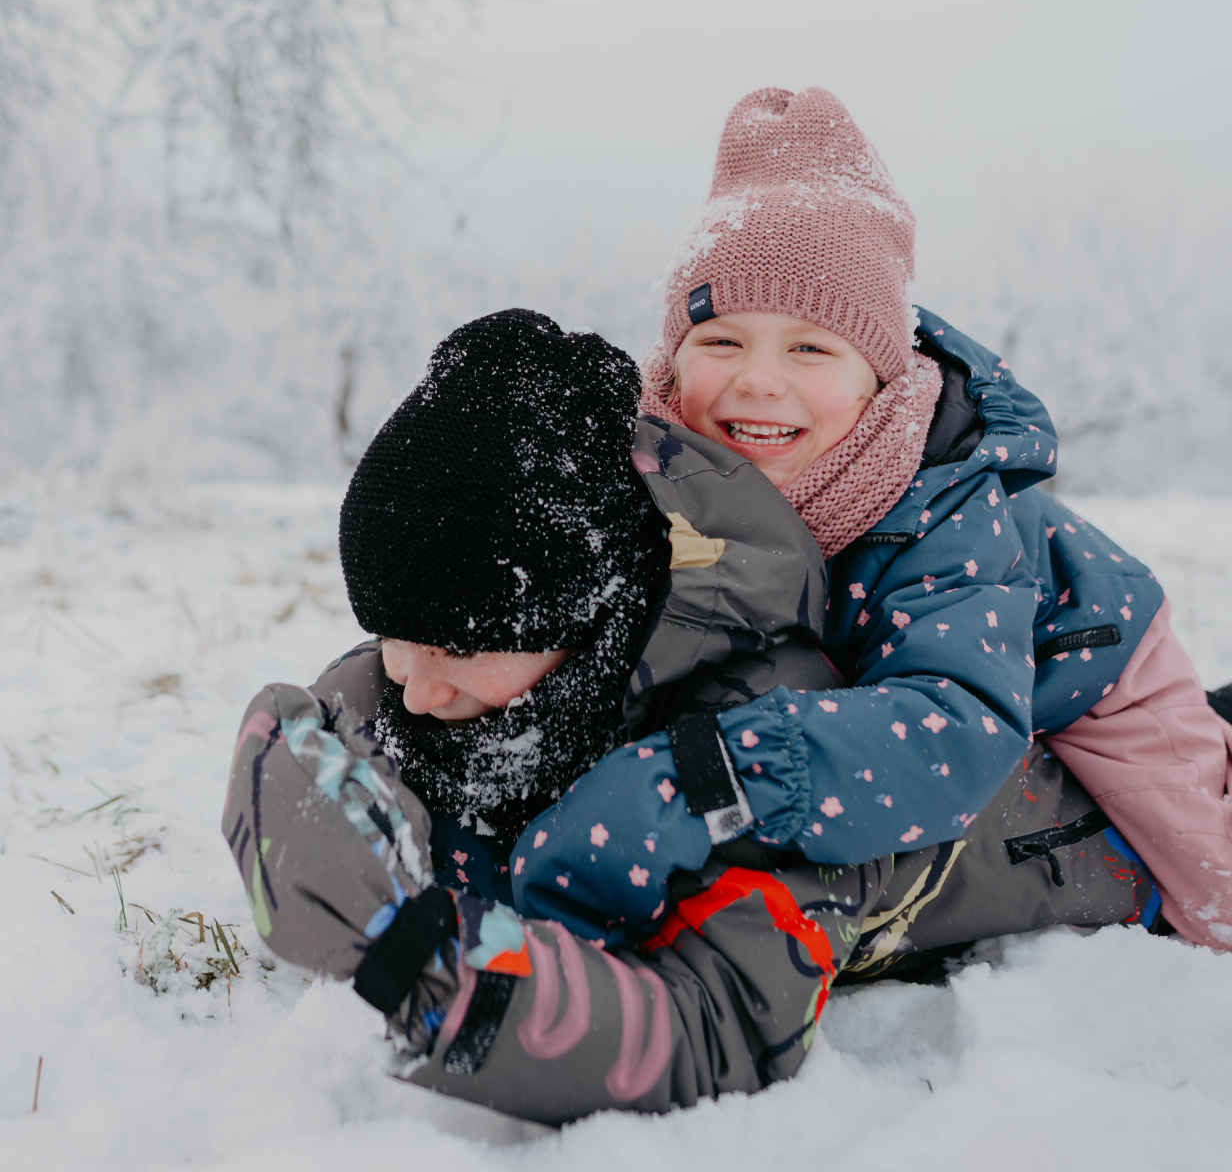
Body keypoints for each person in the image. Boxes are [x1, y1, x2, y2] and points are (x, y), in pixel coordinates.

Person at [222, 308, 1156, 1127]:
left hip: (1096, 836)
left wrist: (422, 972)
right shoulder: (501, 667)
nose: (416, 688)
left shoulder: (763, 735)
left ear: (585, 620)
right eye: (393, 637)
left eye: (455, 651)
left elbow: (715, 1025)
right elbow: (371, 706)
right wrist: (292, 758)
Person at [512, 86, 1232, 954]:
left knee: (1209, 901)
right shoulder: (664, 464)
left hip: (1090, 657)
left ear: (880, 380)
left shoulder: (938, 508)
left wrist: (718, 774)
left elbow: (955, 723)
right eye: (722, 342)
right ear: (671, 363)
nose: (759, 380)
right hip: (928, 646)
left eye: (810, 347)